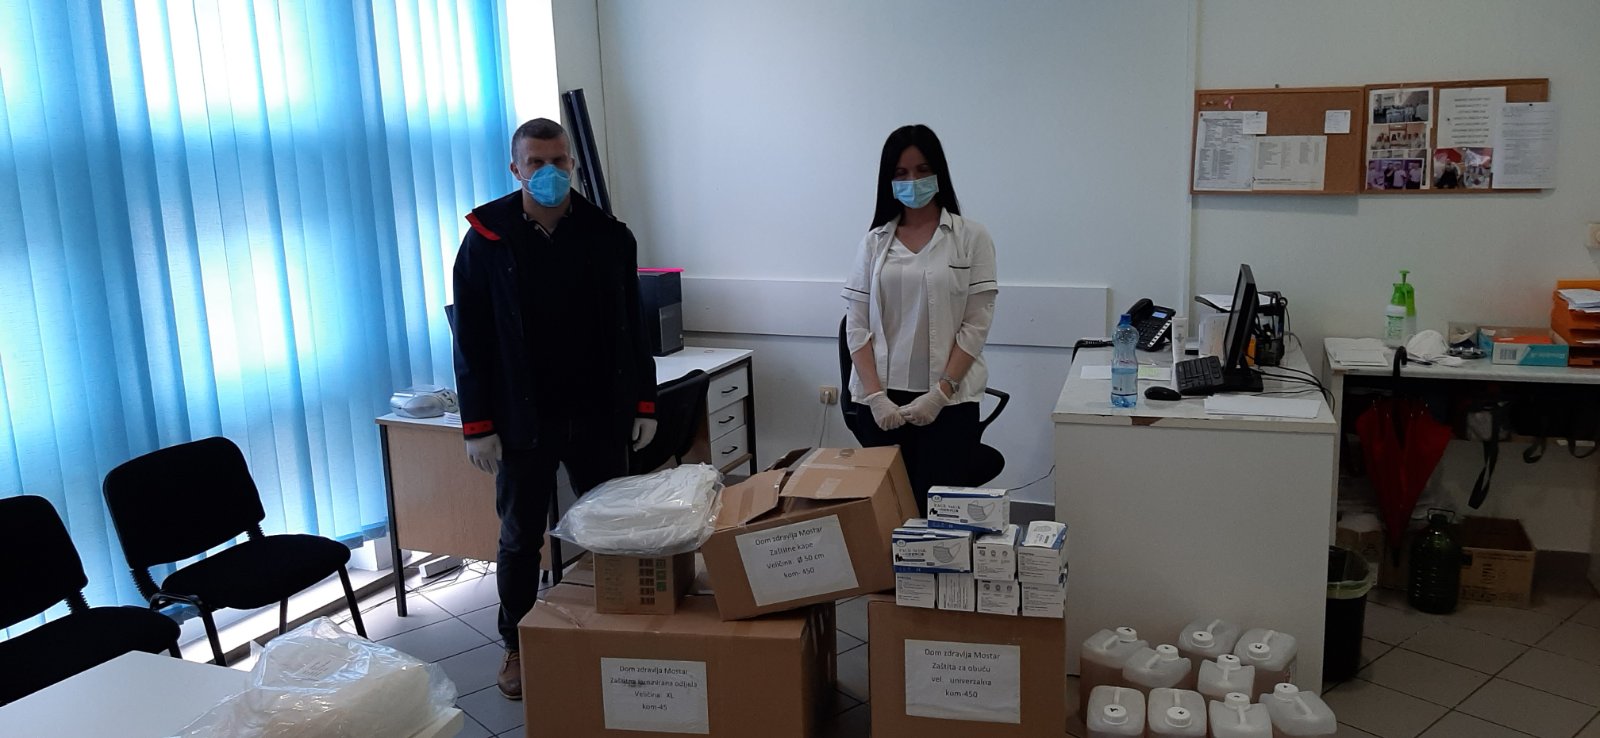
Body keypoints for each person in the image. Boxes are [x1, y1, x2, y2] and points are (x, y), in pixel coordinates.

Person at [451, 118, 658, 700]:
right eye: (536, 163)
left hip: (596, 413)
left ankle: (617, 627)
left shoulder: (607, 235)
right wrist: (477, 425)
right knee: (520, 538)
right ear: (515, 169)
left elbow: (631, 327)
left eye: (559, 161)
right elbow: (471, 339)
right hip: (523, 420)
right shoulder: (486, 240)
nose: (549, 172)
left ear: (573, 164)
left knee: (611, 528)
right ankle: (517, 645)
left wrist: (643, 403)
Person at [842, 124, 998, 515]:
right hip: (882, 404)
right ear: (888, 180)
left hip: (948, 403)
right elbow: (856, 325)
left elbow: (976, 325)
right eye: (901, 172)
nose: (913, 181)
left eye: (922, 169)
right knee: (889, 514)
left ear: (938, 172)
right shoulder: (874, 242)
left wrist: (940, 394)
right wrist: (875, 398)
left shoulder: (971, 237)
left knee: (941, 516)